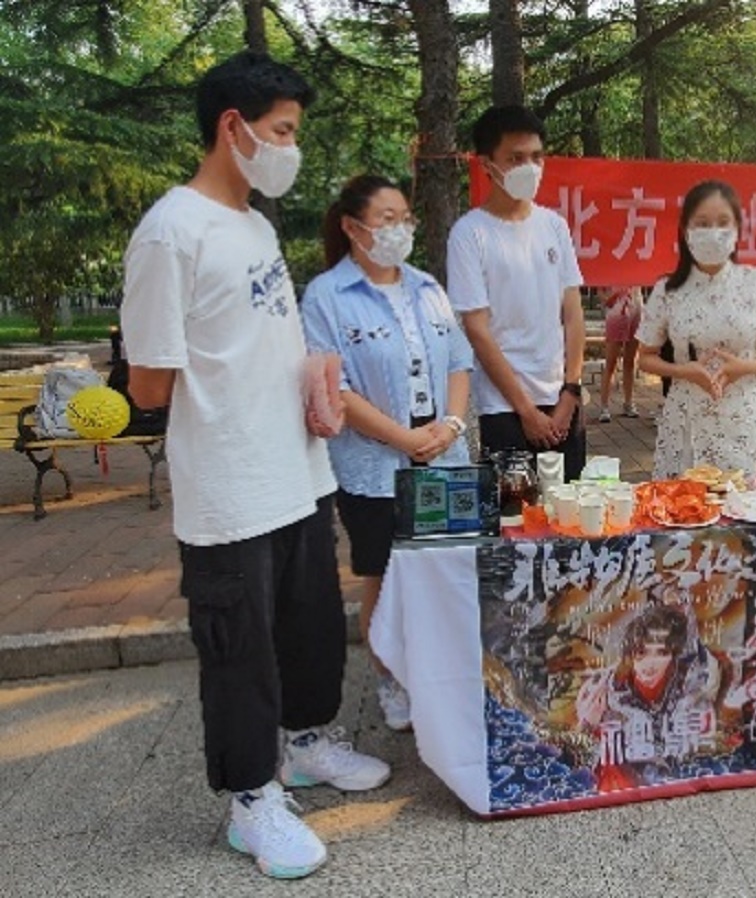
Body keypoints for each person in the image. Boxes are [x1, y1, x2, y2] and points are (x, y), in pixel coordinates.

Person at [121, 52, 389, 881]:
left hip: (296, 470)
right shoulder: (171, 231)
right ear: (233, 128)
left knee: (311, 625)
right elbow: (149, 384)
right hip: (229, 484)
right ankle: (249, 798)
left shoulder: (258, 227)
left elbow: (255, 340)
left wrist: (309, 375)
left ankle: (304, 745)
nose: (290, 149)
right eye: (282, 131)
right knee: (240, 648)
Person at [301, 174, 472, 732]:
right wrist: (403, 439)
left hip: (443, 454)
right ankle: (392, 678)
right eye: (386, 219)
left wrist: (450, 425)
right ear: (353, 228)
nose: (400, 229)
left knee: (446, 570)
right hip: (375, 466)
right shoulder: (327, 296)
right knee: (384, 574)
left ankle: (445, 675)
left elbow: (458, 362)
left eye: (406, 219)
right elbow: (337, 388)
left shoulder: (427, 287)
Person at [447, 105, 587, 480]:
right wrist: (526, 410)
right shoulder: (469, 234)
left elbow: (572, 314)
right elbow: (477, 329)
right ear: (487, 163)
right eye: (515, 158)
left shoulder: (554, 226)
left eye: (536, 157)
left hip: (561, 400)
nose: (530, 167)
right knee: (515, 512)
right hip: (504, 407)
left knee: (572, 509)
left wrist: (571, 391)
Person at [636, 180, 756, 480]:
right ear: (686, 230)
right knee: (683, 503)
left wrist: (748, 367)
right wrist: (683, 371)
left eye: (723, 222)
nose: (713, 232)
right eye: (702, 223)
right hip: (686, 419)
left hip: (744, 418)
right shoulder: (668, 290)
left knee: (744, 503)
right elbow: (645, 357)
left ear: (737, 228)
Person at [575, 603, 724, 791]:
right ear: (631, 654)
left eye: (661, 653)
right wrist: (588, 724)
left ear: (673, 655)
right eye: (641, 652)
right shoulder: (606, 691)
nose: (650, 664)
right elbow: (580, 759)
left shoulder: (689, 685)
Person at [597, 284, 644, 421]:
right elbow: (602, 296)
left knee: (630, 362)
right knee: (611, 362)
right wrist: (615, 295)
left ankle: (629, 403)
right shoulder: (609, 273)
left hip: (635, 312)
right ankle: (604, 406)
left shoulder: (636, 272)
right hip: (616, 315)